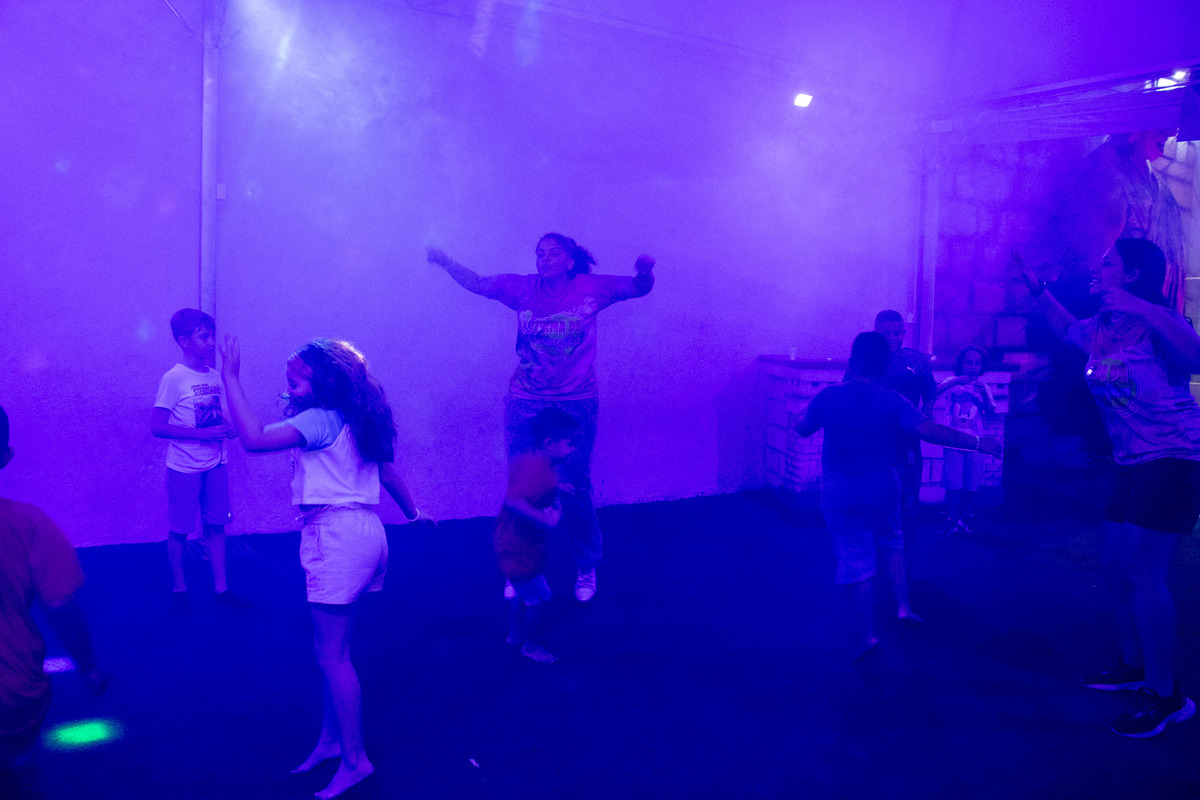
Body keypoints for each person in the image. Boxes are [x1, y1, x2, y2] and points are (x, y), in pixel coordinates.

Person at [219, 336, 420, 799]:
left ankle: (356, 761)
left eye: (295, 382)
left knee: (333, 656)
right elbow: (387, 472)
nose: (289, 388)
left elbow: (253, 439)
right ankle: (332, 741)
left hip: (337, 536)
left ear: (323, 382)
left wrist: (230, 377)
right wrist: (414, 513)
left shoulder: (321, 418)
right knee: (331, 651)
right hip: (366, 533)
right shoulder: (356, 417)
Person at [1015, 238, 1200, 737]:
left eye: (1108, 263)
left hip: (1172, 455)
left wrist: (1142, 306)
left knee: (1142, 571)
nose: (1098, 269)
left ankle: (1166, 695)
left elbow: (1195, 357)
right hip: (1131, 461)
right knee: (1115, 566)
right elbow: (1065, 328)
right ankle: (1134, 666)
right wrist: (1037, 288)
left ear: (1133, 273)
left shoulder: (1157, 320)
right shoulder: (1102, 326)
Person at [427, 233, 654, 602]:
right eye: (540, 254)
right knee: (523, 485)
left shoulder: (590, 288)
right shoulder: (522, 289)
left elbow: (638, 289)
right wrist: (446, 262)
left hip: (576, 400)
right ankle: (519, 569)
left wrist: (644, 273)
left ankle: (586, 564)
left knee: (576, 483)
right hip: (526, 398)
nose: (544, 259)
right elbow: (478, 283)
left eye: (553, 253)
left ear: (570, 261)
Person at [796, 333, 1001, 660]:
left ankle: (868, 637)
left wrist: (805, 415)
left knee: (856, 557)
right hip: (882, 487)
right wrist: (978, 442)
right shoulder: (892, 400)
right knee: (892, 539)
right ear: (884, 366)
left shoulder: (829, 396)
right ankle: (904, 607)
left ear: (852, 361)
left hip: (841, 491)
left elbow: (803, 428)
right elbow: (930, 430)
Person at [0, 404, 108, 799]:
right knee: (18, 772)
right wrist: (90, 667)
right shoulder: (28, 524)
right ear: (6, 457)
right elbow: (61, 606)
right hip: (10, 693)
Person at [151, 308, 244, 615]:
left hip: (216, 463)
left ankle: (222, 588)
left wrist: (228, 426)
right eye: (204, 336)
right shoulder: (173, 378)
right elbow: (157, 426)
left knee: (216, 525)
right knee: (180, 528)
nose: (211, 342)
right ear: (183, 341)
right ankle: (179, 588)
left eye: (212, 335)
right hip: (184, 467)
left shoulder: (215, 377)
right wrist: (199, 435)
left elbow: (218, 414)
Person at [496, 407, 578, 663]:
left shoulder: (533, 461)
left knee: (523, 594)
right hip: (520, 548)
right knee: (540, 600)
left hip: (511, 541)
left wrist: (558, 487)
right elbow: (513, 501)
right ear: (549, 444)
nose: (574, 449)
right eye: (570, 443)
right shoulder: (539, 470)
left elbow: (525, 483)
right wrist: (545, 518)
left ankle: (515, 635)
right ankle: (530, 647)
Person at [872, 310, 937, 528]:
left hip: (909, 433)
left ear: (904, 333)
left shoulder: (916, 359)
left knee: (910, 477)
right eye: (887, 333)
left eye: (897, 333)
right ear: (876, 333)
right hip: (876, 435)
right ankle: (879, 524)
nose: (893, 337)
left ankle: (907, 524)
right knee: (878, 479)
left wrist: (927, 411)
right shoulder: (867, 361)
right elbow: (849, 390)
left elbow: (930, 390)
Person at [936, 345, 996, 534]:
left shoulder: (984, 387)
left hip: (976, 442)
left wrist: (984, 394)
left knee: (972, 481)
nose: (972, 367)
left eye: (977, 363)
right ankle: (951, 517)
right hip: (953, 440)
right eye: (968, 362)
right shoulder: (951, 382)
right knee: (953, 481)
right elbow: (934, 392)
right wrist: (956, 382)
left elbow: (991, 414)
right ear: (961, 364)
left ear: (982, 366)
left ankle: (967, 516)